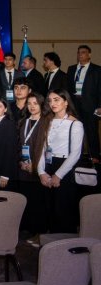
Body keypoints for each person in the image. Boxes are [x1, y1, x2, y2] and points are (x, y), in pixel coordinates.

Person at [35, 89, 84, 235]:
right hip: (48, 164)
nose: (52, 103)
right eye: (50, 100)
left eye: (56, 100)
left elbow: (75, 154)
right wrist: (41, 172)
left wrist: (58, 175)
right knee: (48, 207)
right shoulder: (48, 121)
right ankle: (49, 240)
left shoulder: (75, 124)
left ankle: (65, 243)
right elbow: (42, 148)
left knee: (63, 209)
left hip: (65, 167)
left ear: (66, 102)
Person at [17, 93, 48, 239]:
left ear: (41, 104)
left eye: (35, 103)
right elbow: (18, 144)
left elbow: (45, 148)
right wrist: (20, 161)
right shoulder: (23, 121)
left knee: (37, 201)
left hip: (38, 168)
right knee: (24, 199)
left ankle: (37, 229)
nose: (32, 106)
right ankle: (25, 227)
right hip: (23, 167)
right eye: (29, 103)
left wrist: (34, 165)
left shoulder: (46, 122)